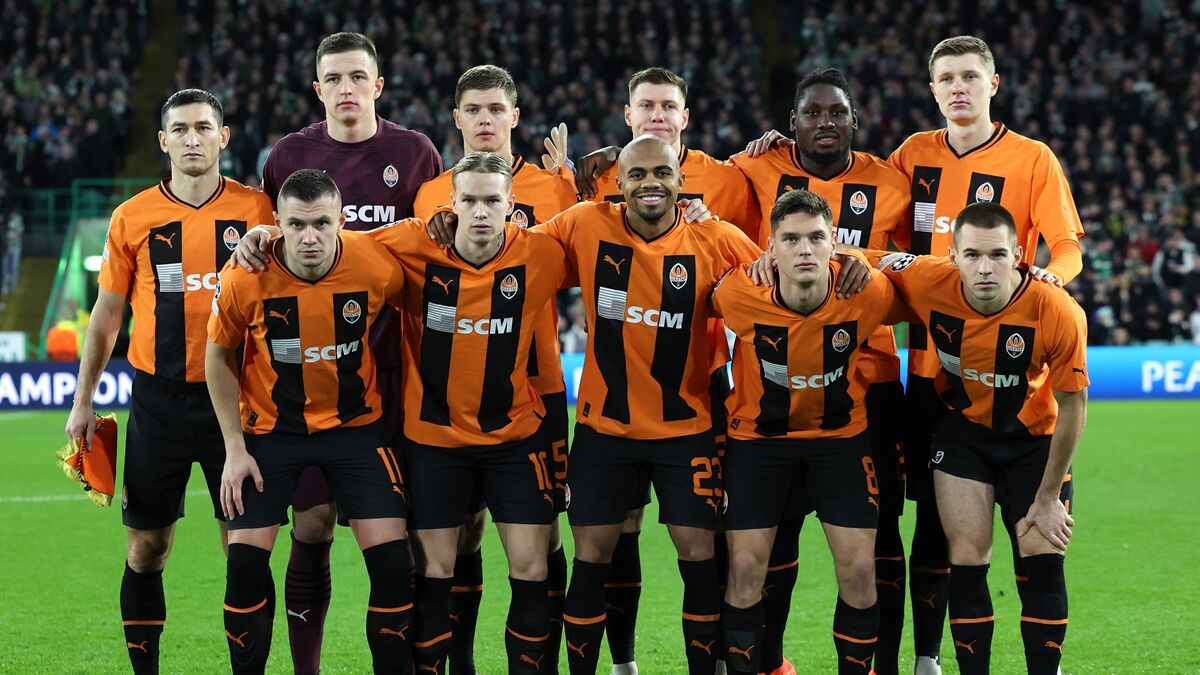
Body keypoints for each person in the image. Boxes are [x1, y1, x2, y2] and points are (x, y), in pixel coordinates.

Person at [887, 36, 1084, 674]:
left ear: (993, 84)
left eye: (970, 76)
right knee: (933, 528)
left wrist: (1054, 279)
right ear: (932, 89)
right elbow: (874, 228)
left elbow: (1067, 246)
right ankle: (927, 657)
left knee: (1027, 546)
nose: (958, 88)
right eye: (946, 78)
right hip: (929, 372)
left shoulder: (1032, 159)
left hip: (1009, 366)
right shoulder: (911, 156)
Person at [64, 88, 274, 674]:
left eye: (203, 127)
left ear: (223, 137)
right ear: (163, 141)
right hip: (158, 402)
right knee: (147, 548)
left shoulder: (259, 211)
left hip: (239, 402)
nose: (191, 139)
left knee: (245, 550)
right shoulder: (132, 217)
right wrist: (83, 401)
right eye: (179, 129)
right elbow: (107, 314)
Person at [259, 31, 442, 674]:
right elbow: (271, 246)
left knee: (404, 534)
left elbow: (435, 244)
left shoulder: (415, 153)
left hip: (396, 371)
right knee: (311, 525)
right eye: (333, 78)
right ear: (318, 88)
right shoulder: (290, 156)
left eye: (358, 77)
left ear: (378, 85)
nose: (346, 89)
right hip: (313, 375)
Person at [572, 66, 760, 672]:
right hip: (606, 427)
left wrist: (862, 263)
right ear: (618, 181)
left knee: (700, 557)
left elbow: (786, 275)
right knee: (593, 558)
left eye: (661, 174)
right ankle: (620, 665)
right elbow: (512, 245)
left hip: (690, 426)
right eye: (636, 174)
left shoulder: (718, 237)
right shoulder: (584, 223)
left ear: (682, 180)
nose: (649, 183)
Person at [731, 68, 912, 675]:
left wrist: (863, 259)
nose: (825, 122)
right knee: (773, 541)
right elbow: (687, 191)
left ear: (855, 120)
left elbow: (913, 263)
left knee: (879, 537)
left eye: (837, 112)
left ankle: (884, 665)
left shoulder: (891, 181)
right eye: (812, 113)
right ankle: (769, 662)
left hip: (870, 384)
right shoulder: (756, 167)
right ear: (791, 124)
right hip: (778, 384)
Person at [207, 169, 413, 674]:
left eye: (322, 223)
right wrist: (233, 448)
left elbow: (420, 299)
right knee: (244, 566)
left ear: (342, 222)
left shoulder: (375, 263)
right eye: (296, 225)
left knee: (393, 564)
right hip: (271, 435)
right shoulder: (245, 276)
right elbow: (217, 355)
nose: (310, 237)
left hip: (356, 429)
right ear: (276, 224)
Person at [869, 202, 1088, 675]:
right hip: (963, 436)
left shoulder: (1056, 309)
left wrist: (1049, 497)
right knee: (966, 558)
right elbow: (864, 256)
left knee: (1042, 555)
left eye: (997, 255)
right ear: (953, 256)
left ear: (1018, 256)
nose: (984, 268)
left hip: (1034, 441)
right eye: (971, 255)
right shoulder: (929, 278)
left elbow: (1074, 407)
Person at [412, 65, 577, 674]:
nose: (485, 120)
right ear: (457, 118)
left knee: (542, 537)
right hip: (452, 393)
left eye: (496, 109)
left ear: (515, 116)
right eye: (474, 110)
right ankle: (460, 661)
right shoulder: (430, 194)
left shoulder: (555, 189)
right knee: (464, 533)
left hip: (536, 388)